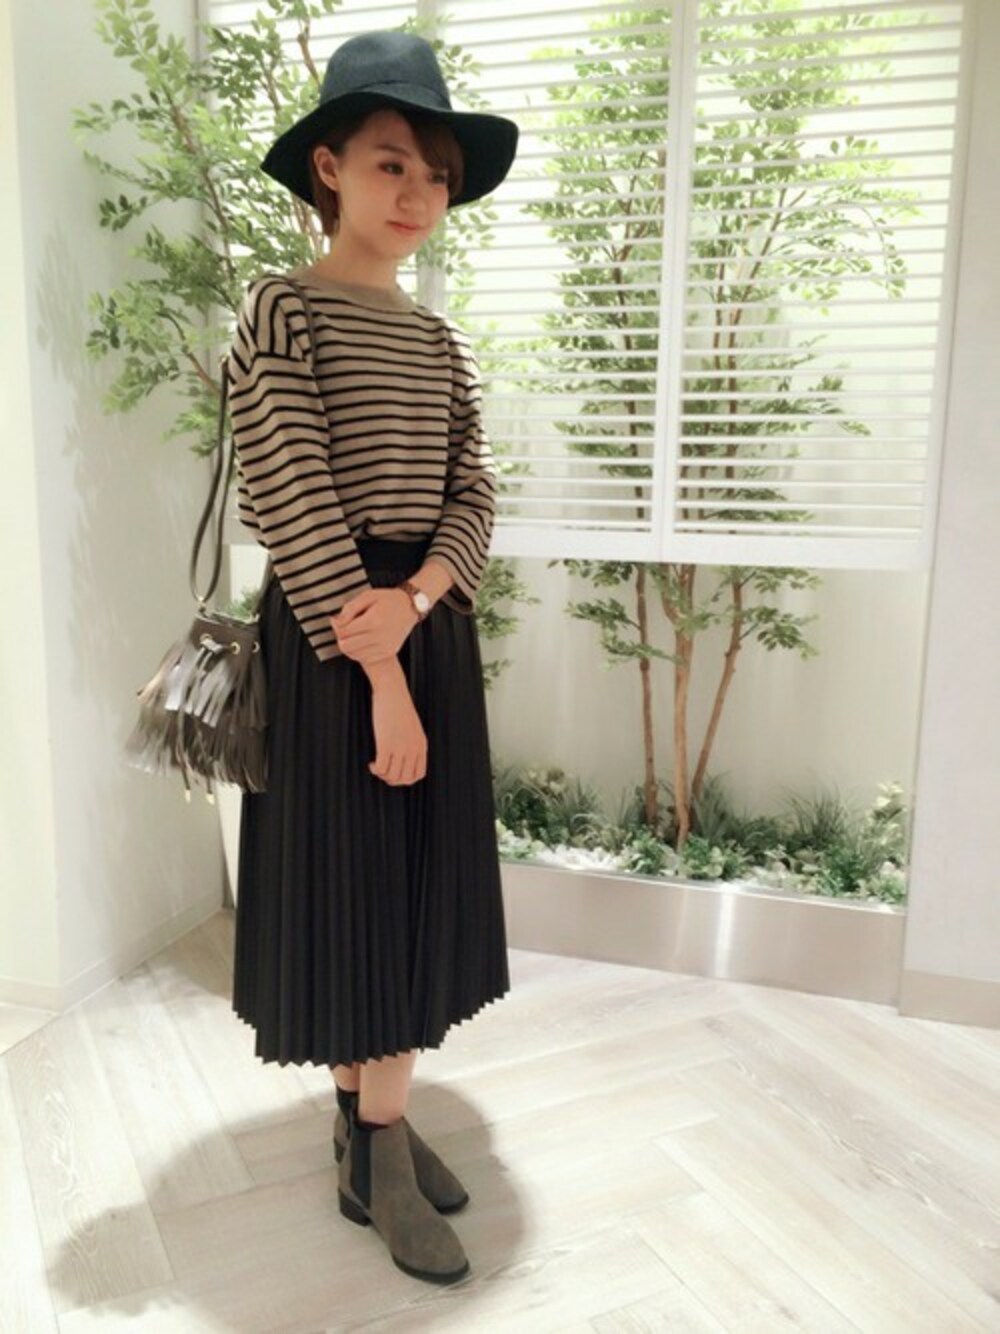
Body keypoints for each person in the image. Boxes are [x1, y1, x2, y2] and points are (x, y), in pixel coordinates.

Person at [223, 31, 519, 1286]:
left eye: (436, 174)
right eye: (392, 162)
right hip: (333, 633)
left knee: (407, 886)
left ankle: (368, 1131)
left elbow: (475, 494)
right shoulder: (283, 310)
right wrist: (382, 662)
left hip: (419, 625)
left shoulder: (439, 343)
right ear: (329, 167)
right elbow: (293, 493)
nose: (417, 193)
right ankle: (377, 1142)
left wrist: (422, 600)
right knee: (357, 889)